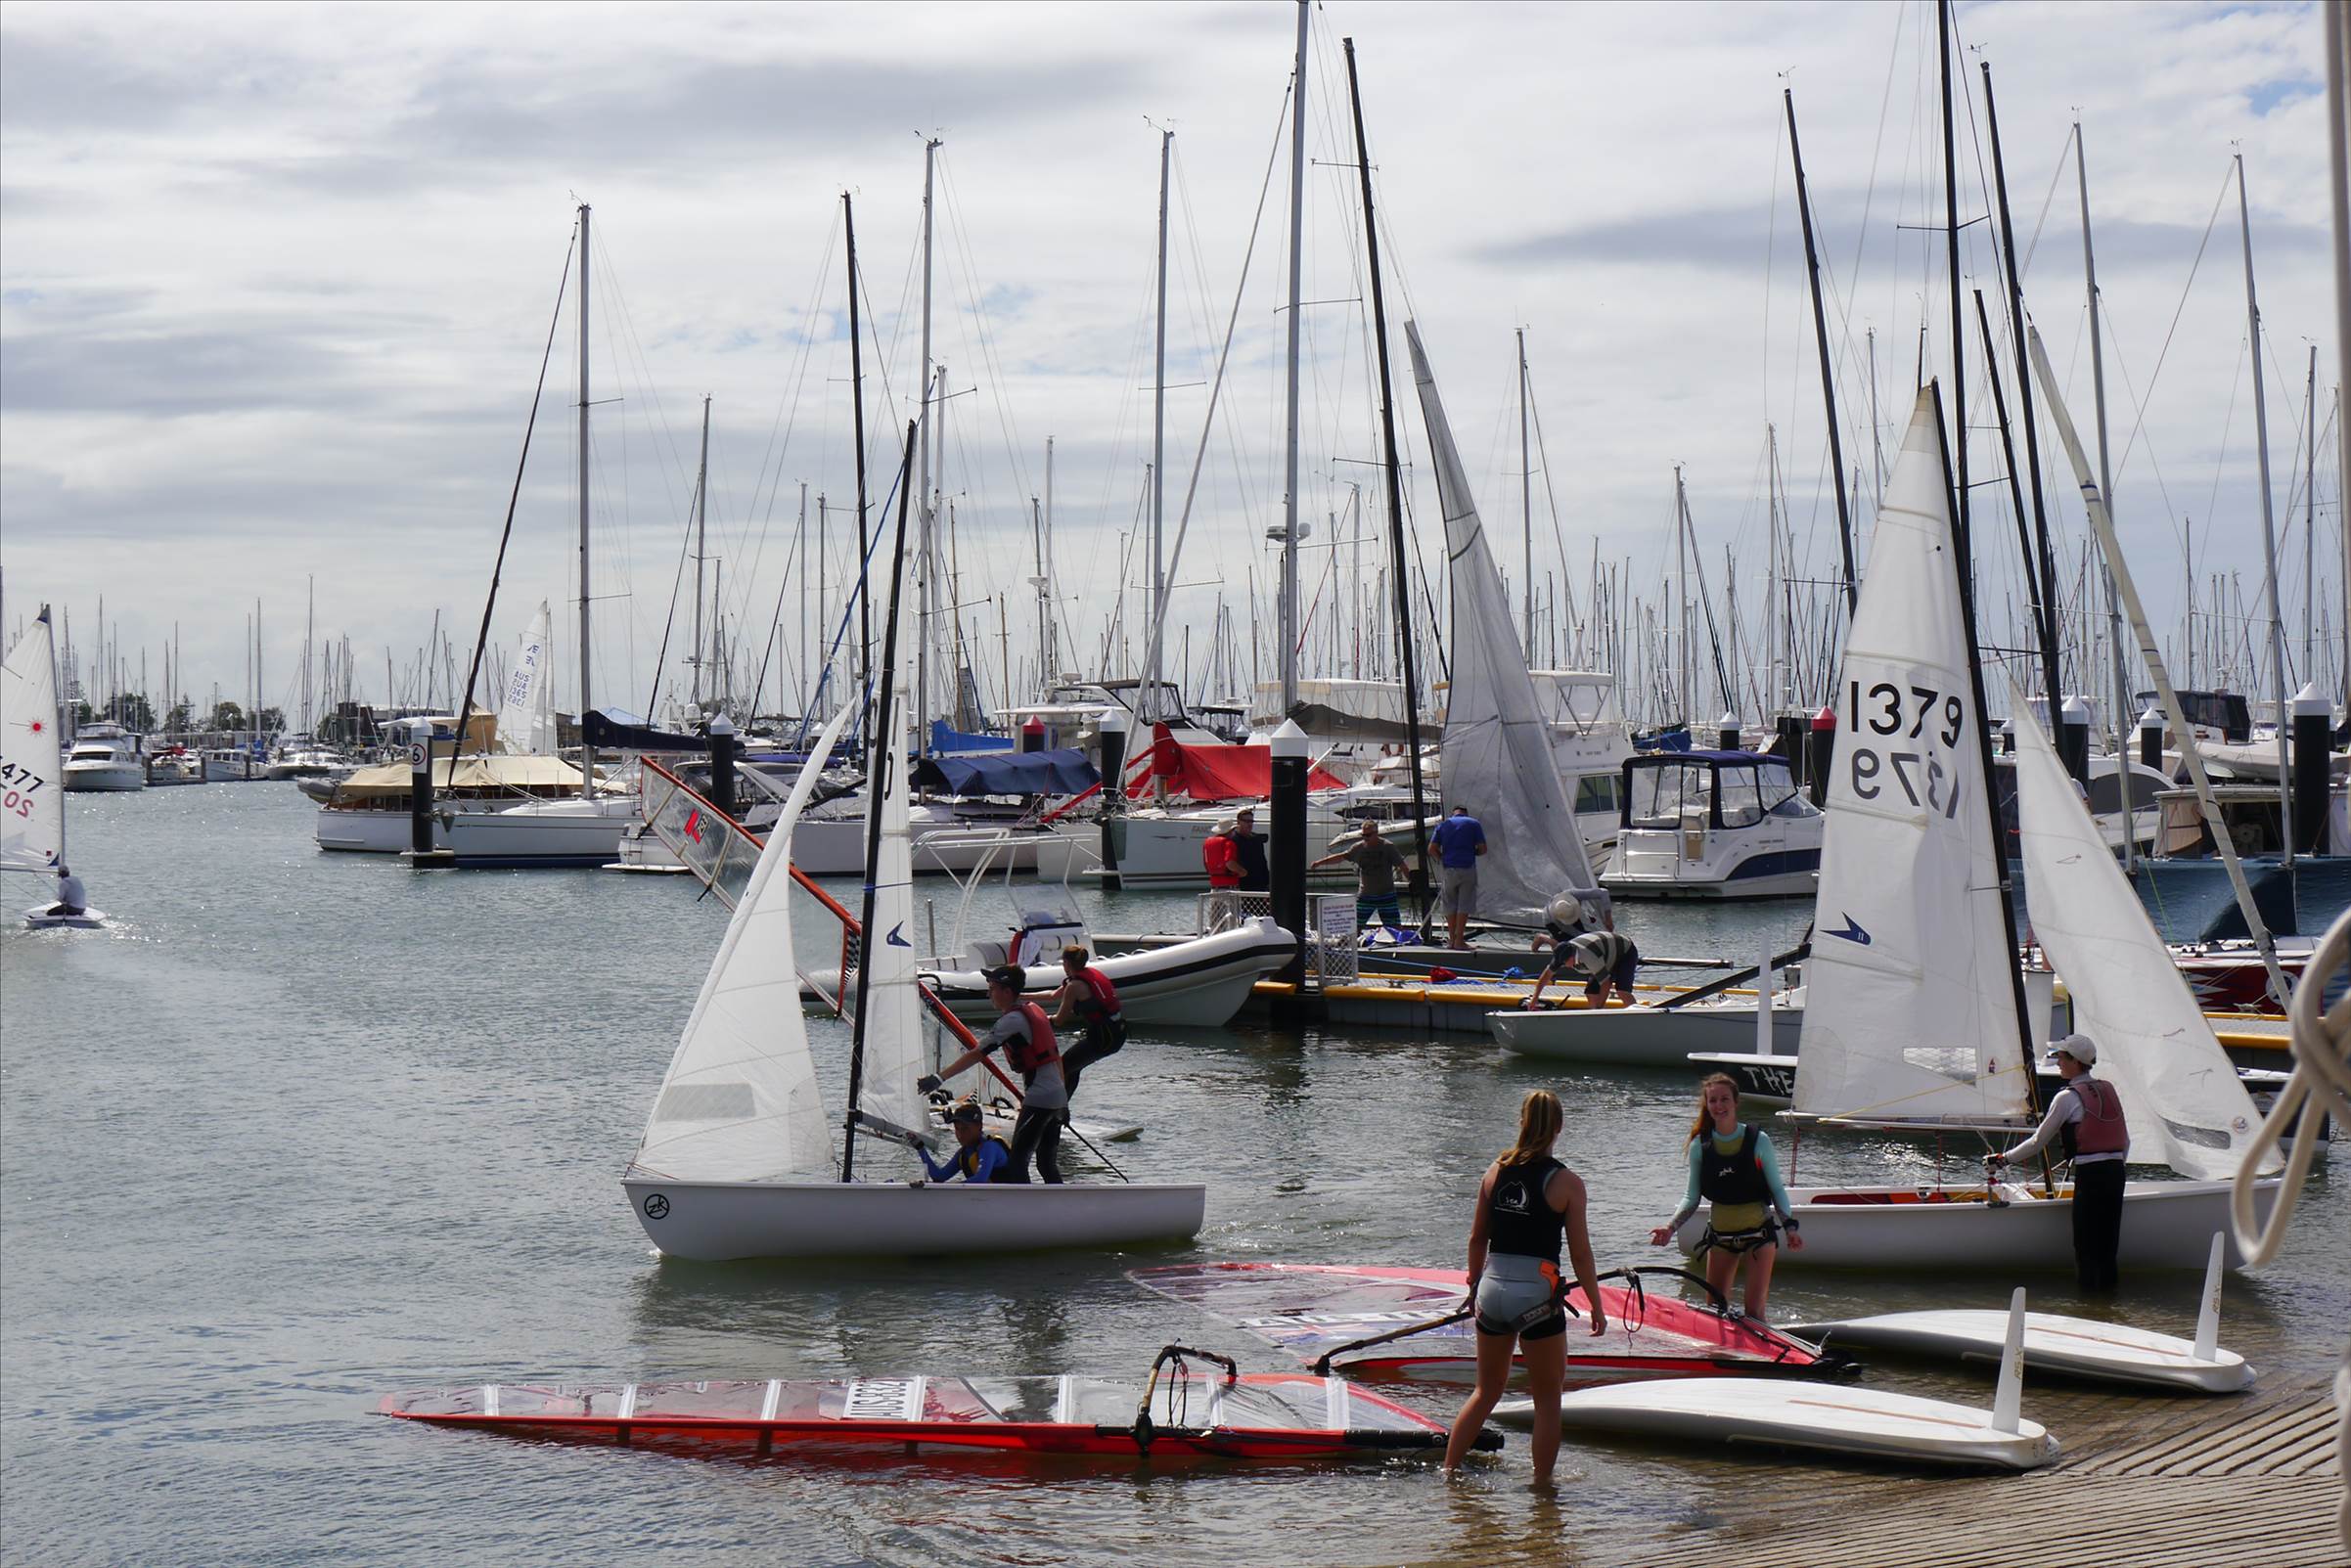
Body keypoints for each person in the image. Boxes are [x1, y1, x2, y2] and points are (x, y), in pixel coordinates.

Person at [1443, 1089, 1606, 1486]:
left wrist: (1473, 1287)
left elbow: (1476, 1239)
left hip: (1492, 1291)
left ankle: (1448, 1472)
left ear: (1521, 1121)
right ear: (1559, 1126)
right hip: (1536, 1296)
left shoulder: (1494, 1172)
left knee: (1486, 1391)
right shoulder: (1567, 1183)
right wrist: (1597, 1307)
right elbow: (1581, 1255)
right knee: (1548, 1399)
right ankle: (1542, 1491)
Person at [1650, 1074, 1802, 1320]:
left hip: (1759, 1237)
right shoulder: (1701, 1146)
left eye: (1724, 1099)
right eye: (1713, 1100)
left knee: (1754, 1313)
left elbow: (1776, 1189)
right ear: (1707, 1105)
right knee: (1715, 1312)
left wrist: (1790, 1228)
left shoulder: (1758, 1141)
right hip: (1721, 1238)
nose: (1719, 1106)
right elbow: (1691, 1196)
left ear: (1736, 1102)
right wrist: (1670, 1228)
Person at [1989, 1033, 2128, 1292]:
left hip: (2091, 1175)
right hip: (2116, 1173)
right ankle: (2108, 1304)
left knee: (2085, 1247)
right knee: (2108, 1247)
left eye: (2062, 1057)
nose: (2058, 1063)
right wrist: (2116, 1167)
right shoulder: (2108, 1089)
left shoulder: (2066, 1097)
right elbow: (2125, 1140)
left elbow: (2037, 1142)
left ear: (2076, 1061)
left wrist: (2003, 1160)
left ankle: (2088, 1304)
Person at [920, 964, 1067, 1184]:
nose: (989, 994)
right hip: (1056, 1097)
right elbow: (1056, 1057)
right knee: (1045, 1163)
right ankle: (1059, 1201)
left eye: (992, 989)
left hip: (1041, 1098)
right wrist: (1063, 1103)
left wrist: (939, 1078)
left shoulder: (1012, 1021)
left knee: (1017, 1161)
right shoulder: (1033, 1010)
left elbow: (977, 1053)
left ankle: (1022, 1204)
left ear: (1007, 992)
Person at [1520, 895, 1638, 1009]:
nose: (1565, 966)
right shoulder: (1561, 955)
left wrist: (1600, 1008)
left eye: (1566, 962)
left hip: (1625, 951)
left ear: (1572, 956)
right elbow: (1546, 976)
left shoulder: (1588, 957)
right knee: (1591, 992)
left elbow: (1606, 983)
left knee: (1622, 991)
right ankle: (1593, 1016)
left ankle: (1637, 1013)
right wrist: (1535, 998)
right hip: (1605, 953)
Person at [1051, 944, 1125, 1096]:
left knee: (1063, 1066)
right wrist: (1023, 996)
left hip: (1104, 1037)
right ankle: (1061, 1105)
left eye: (1063, 962)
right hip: (1117, 1032)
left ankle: (1055, 1106)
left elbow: (1059, 1020)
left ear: (1067, 963)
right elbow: (1053, 995)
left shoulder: (1074, 986)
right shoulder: (1089, 974)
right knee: (1072, 1067)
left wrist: (1039, 1018)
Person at [1311, 819, 1409, 928]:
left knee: (1394, 927)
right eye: (1363, 835)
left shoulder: (1388, 846)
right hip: (1365, 895)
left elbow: (1402, 865)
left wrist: (1411, 881)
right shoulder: (1358, 848)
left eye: (1368, 835)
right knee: (1354, 927)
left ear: (1376, 833)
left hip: (1386, 894)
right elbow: (1341, 857)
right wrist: (1319, 863)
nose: (1365, 838)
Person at [1426, 805, 1486, 948]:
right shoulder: (1474, 824)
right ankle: (1459, 940)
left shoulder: (1443, 825)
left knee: (1449, 904)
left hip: (1449, 869)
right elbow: (1483, 849)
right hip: (1467, 868)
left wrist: (1442, 858)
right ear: (1466, 813)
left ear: (1453, 813)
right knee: (1464, 904)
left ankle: (1451, 940)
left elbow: (1431, 849)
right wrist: (1473, 853)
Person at [915, 1098, 1011, 1185]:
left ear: (979, 1126)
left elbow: (980, 1179)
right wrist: (920, 1147)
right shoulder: (964, 1154)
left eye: (965, 1129)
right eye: (957, 1128)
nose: (960, 1134)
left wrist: (952, 1186)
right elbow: (939, 1177)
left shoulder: (990, 1147)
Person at [1229, 807, 1271, 892]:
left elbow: (1262, 861)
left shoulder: (1256, 839)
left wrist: (1268, 882)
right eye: (1246, 821)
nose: (1249, 824)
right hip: (1241, 885)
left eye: (1251, 821)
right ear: (1238, 822)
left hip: (1259, 884)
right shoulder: (1232, 839)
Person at [1202, 820, 1243, 889]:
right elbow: (1229, 863)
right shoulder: (1229, 843)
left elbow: (1205, 863)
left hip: (1214, 887)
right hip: (1230, 887)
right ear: (1230, 831)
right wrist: (1242, 872)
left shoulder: (1207, 843)